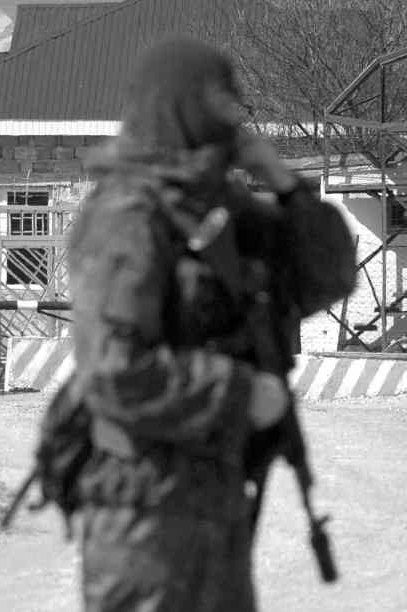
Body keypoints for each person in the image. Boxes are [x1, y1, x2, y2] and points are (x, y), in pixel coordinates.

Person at [38, 38, 356, 611]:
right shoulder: (127, 216)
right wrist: (240, 395)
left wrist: (284, 182)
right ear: (177, 108)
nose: (229, 116)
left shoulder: (221, 209)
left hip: (218, 498)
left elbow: (327, 278)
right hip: (143, 519)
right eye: (215, 102)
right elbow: (114, 371)